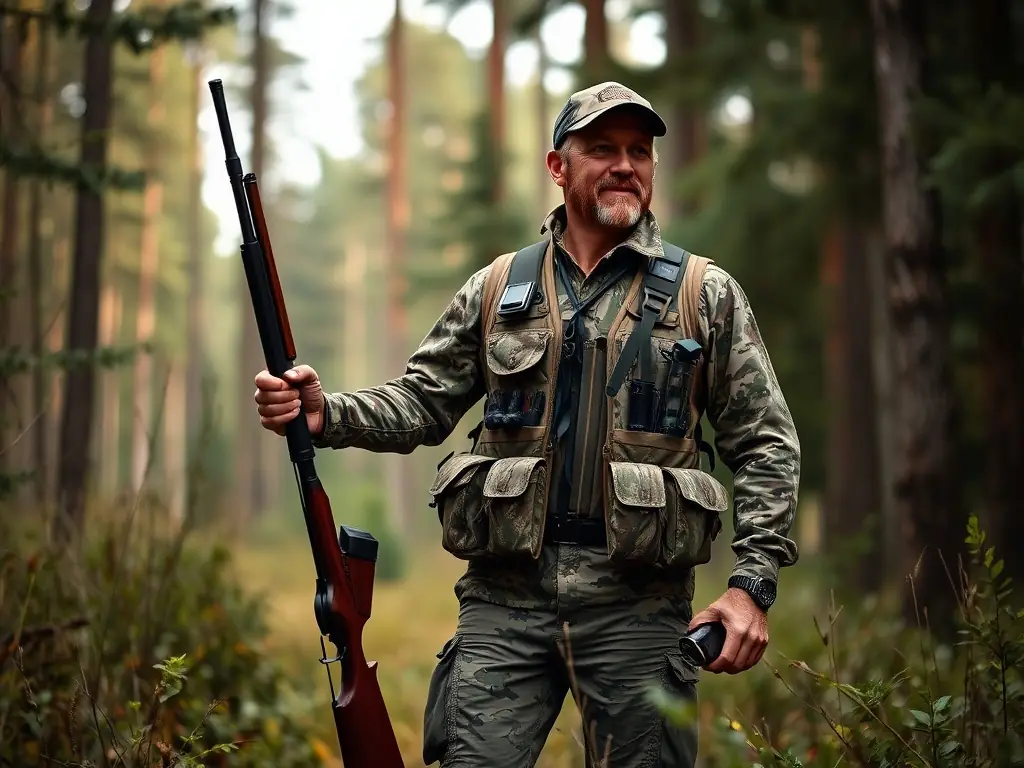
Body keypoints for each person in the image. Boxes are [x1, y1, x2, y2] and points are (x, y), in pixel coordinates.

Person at [253, 81, 801, 768]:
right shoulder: (497, 288)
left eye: (640, 150)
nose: (626, 164)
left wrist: (752, 586)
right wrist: (326, 411)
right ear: (557, 166)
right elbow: (423, 401)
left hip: (639, 609)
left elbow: (765, 442)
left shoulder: (705, 294)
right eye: (602, 148)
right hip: (505, 603)